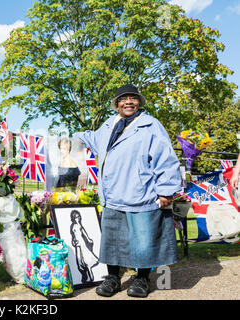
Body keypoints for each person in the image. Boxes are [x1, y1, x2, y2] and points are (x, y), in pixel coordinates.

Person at [74, 84, 182, 298]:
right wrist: (69, 142)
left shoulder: (151, 125)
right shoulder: (107, 125)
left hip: (141, 193)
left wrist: (166, 191)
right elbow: (90, 138)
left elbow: (166, 159)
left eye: (133, 98)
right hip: (112, 195)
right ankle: (113, 278)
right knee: (113, 241)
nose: (128, 102)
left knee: (144, 240)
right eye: (123, 99)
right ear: (116, 104)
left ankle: (142, 279)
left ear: (139, 102)